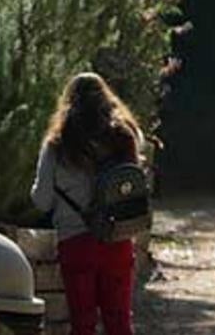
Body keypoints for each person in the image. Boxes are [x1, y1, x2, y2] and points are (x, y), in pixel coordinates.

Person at [31, 73, 147, 335]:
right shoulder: (126, 137)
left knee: (82, 324)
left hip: (75, 243)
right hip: (117, 239)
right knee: (119, 323)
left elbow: (42, 201)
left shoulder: (56, 145)